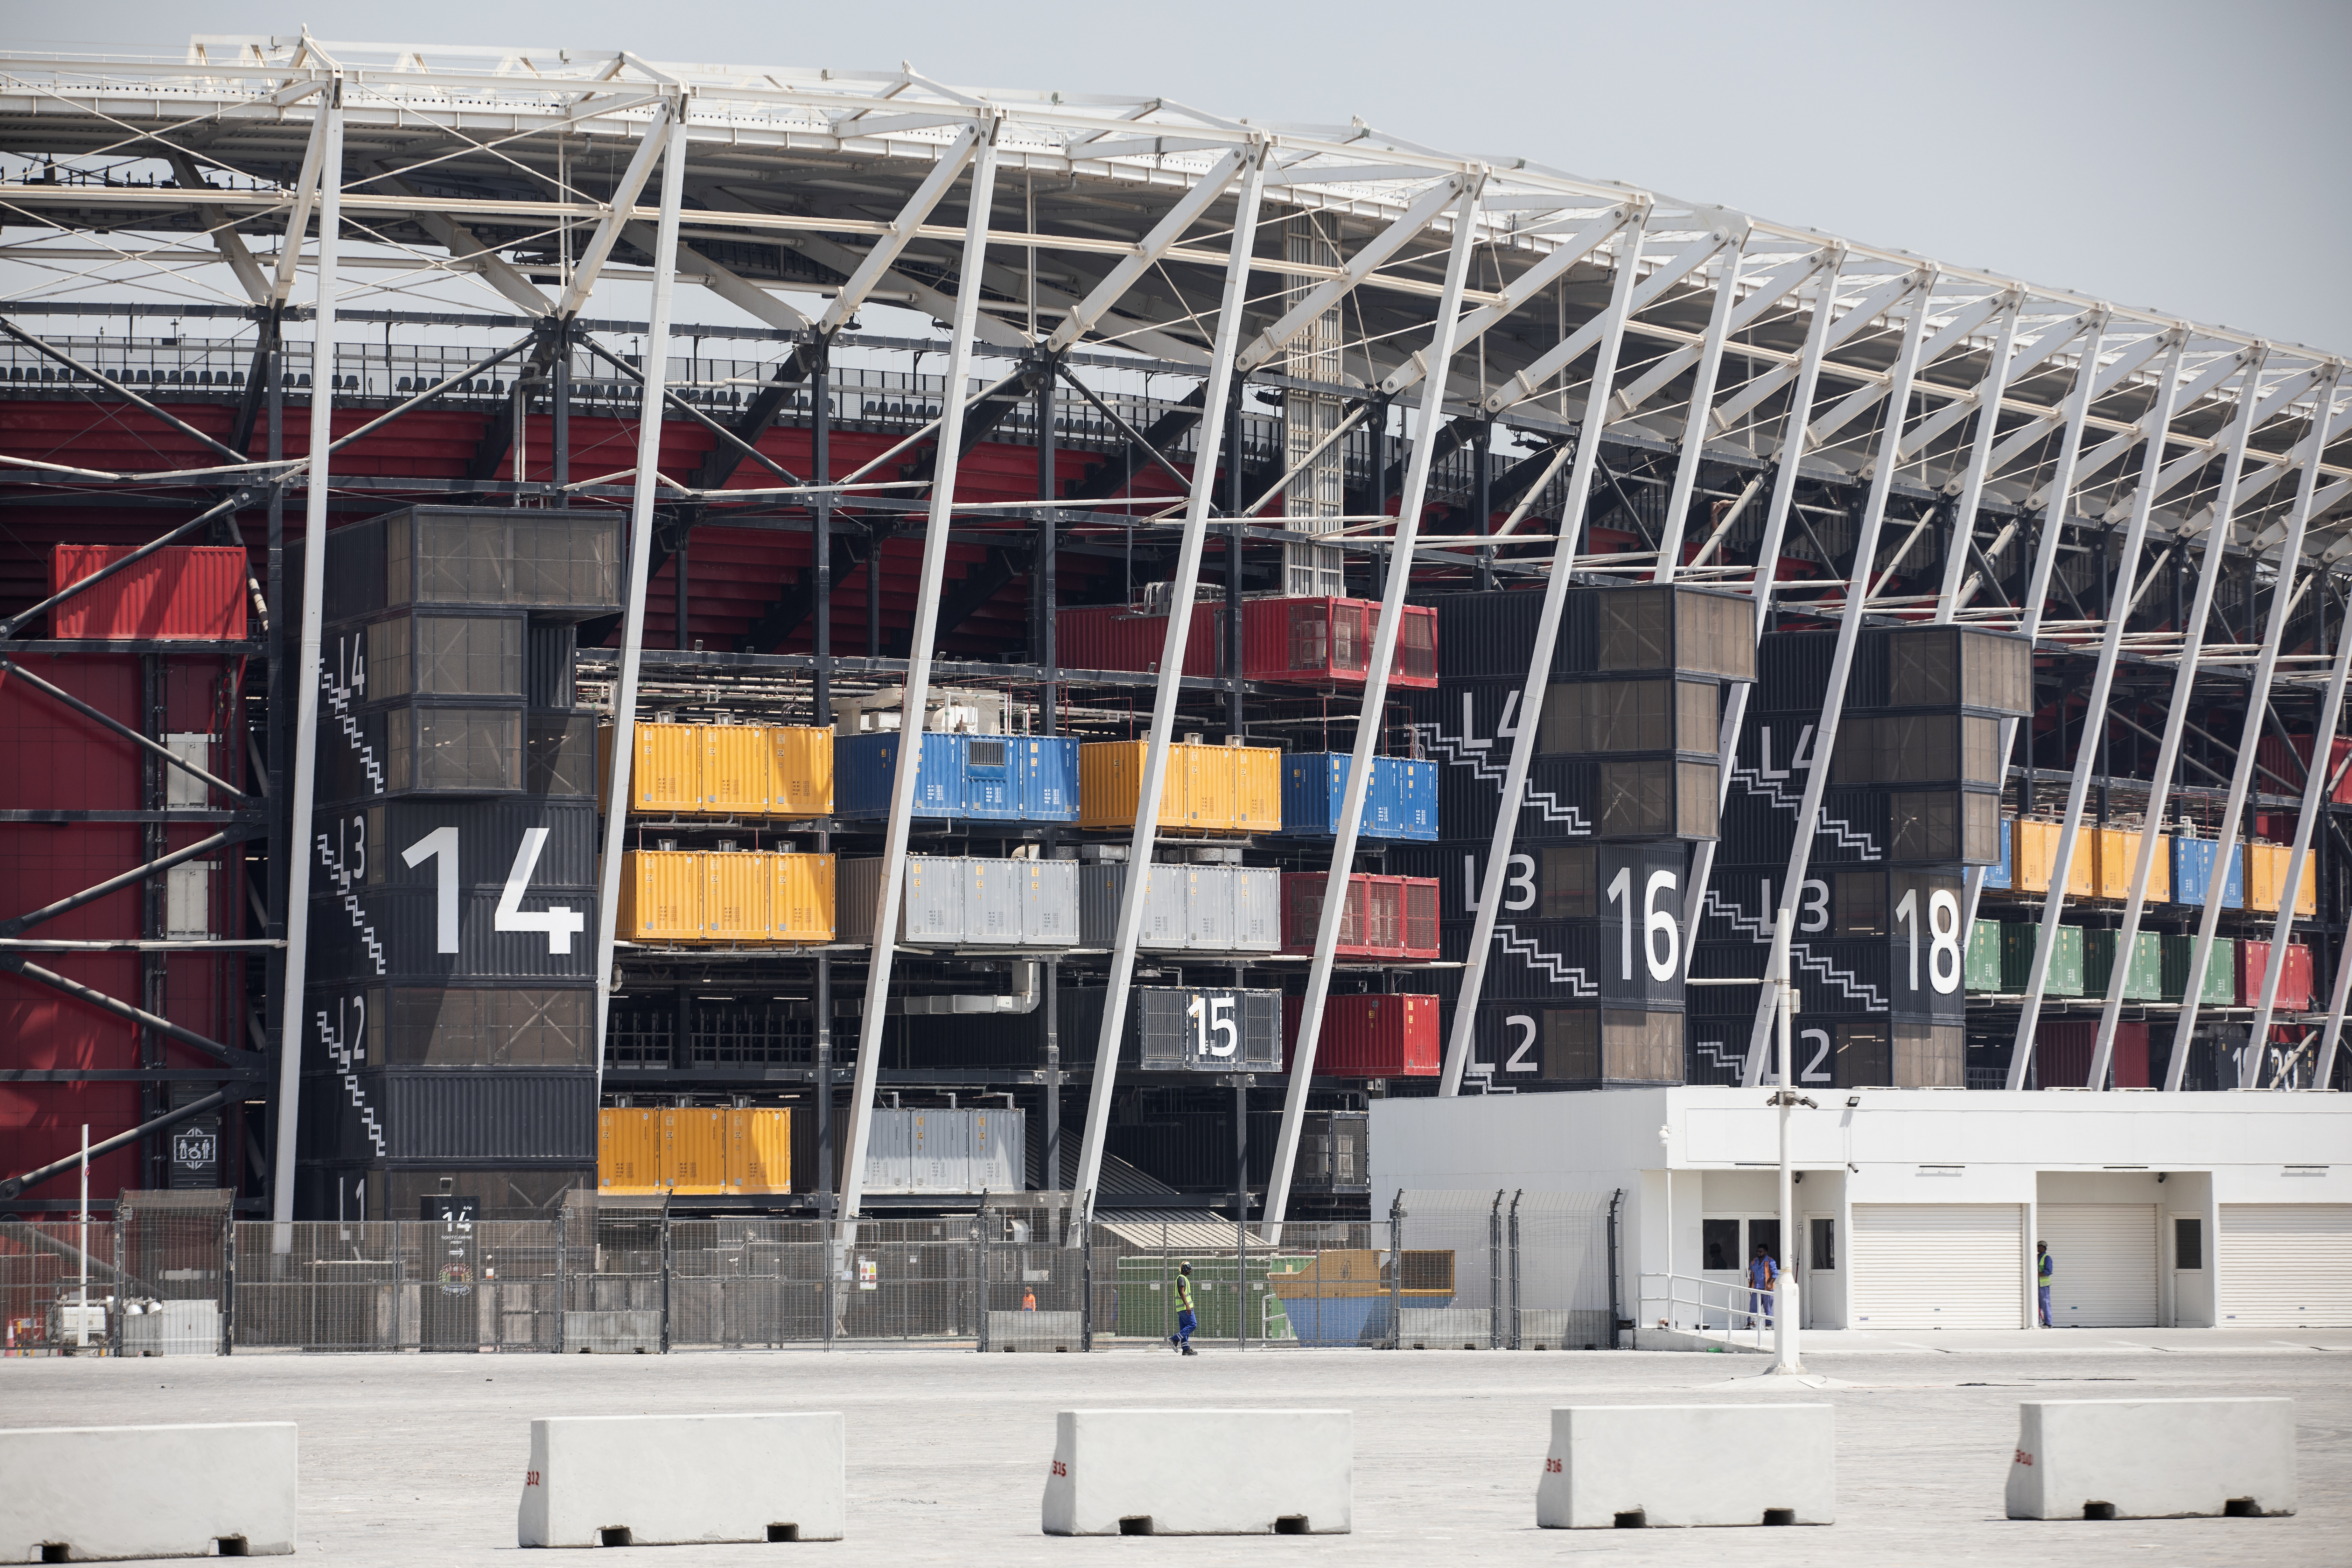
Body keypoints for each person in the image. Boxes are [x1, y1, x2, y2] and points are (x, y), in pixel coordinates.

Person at [1168, 1262, 1198, 1356]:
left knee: (1185, 1328)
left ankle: (1186, 1349)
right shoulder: (1182, 1278)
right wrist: (1188, 1306)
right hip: (1185, 1308)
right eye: (1189, 1269)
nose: (1191, 1270)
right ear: (1185, 1269)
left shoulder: (1183, 1278)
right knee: (1193, 1325)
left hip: (1181, 1309)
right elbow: (1182, 1293)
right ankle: (1175, 1339)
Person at [1747, 1244, 1777, 1329]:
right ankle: (1752, 1324)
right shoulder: (1754, 1261)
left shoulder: (1771, 1261)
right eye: (1758, 1251)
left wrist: (1770, 1283)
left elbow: (1775, 1274)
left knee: (1768, 1308)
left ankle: (1768, 1324)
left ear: (1766, 1252)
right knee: (1753, 1308)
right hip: (1756, 1288)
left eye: (1761, 1252)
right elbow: (1752, 1275)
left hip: (1767, 1289)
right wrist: (1750, 1285)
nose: (1759, 1253)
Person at [2037, 1241, 2054, 1327]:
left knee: (2045, 1303)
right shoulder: (2037, 1257)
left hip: (2043, 1285)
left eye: (2038, 1246)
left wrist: (2037, 1274)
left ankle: (2048, 1323)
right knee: (2037, 1304)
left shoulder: (2047, 1258)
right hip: (2037, 1284)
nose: (2037, 1248)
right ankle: (2037, 1322)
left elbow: (2048, 1271)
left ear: (2043, 1247)